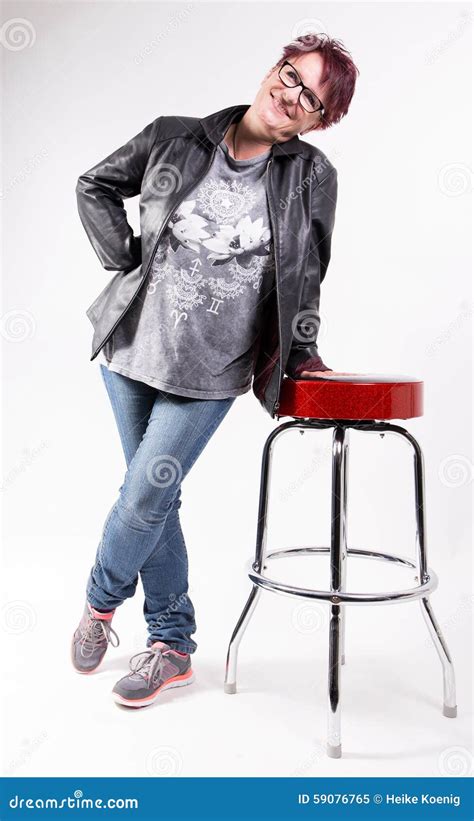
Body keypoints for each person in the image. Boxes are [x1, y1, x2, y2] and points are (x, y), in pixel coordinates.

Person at [72, 32, 359, 708]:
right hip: (130, 352)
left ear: (318, 121)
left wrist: (303, 353)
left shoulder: (311, 177)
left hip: (212, 370)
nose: (291, 96)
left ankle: (98, 601)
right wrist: (126, 258)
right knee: (155, 500)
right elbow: (94, 185)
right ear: (273, 66)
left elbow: (307, 272)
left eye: (312, 99)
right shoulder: (175, 138)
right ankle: (172, 643)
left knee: (143, 495)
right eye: (291, 75)